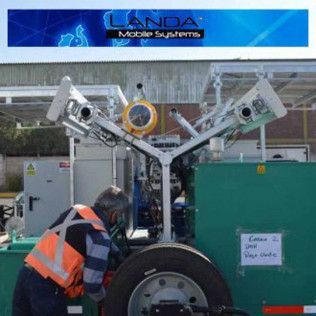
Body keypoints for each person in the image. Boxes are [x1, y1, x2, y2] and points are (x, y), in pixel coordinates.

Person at [12, 186, 129, 316]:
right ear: (115, 214)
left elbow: (91, 234)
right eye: (120, 215)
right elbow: (92, 285)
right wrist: (108, 302)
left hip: (26, 273)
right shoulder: (100, 238)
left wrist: (117, 253)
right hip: (47, 288)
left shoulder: (77, 210)